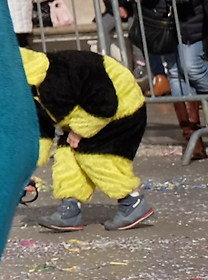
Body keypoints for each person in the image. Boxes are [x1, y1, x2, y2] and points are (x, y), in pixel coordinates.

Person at [25, 46, 152, 231]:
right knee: (66, 155)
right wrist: (27, 168)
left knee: (93, 156)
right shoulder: (32, 90)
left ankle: (132, 201)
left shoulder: (68, 69)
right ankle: (70, 208)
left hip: (123, 108)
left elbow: (105, 104)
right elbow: (41, 129)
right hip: (87, 116)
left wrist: (80, 131)